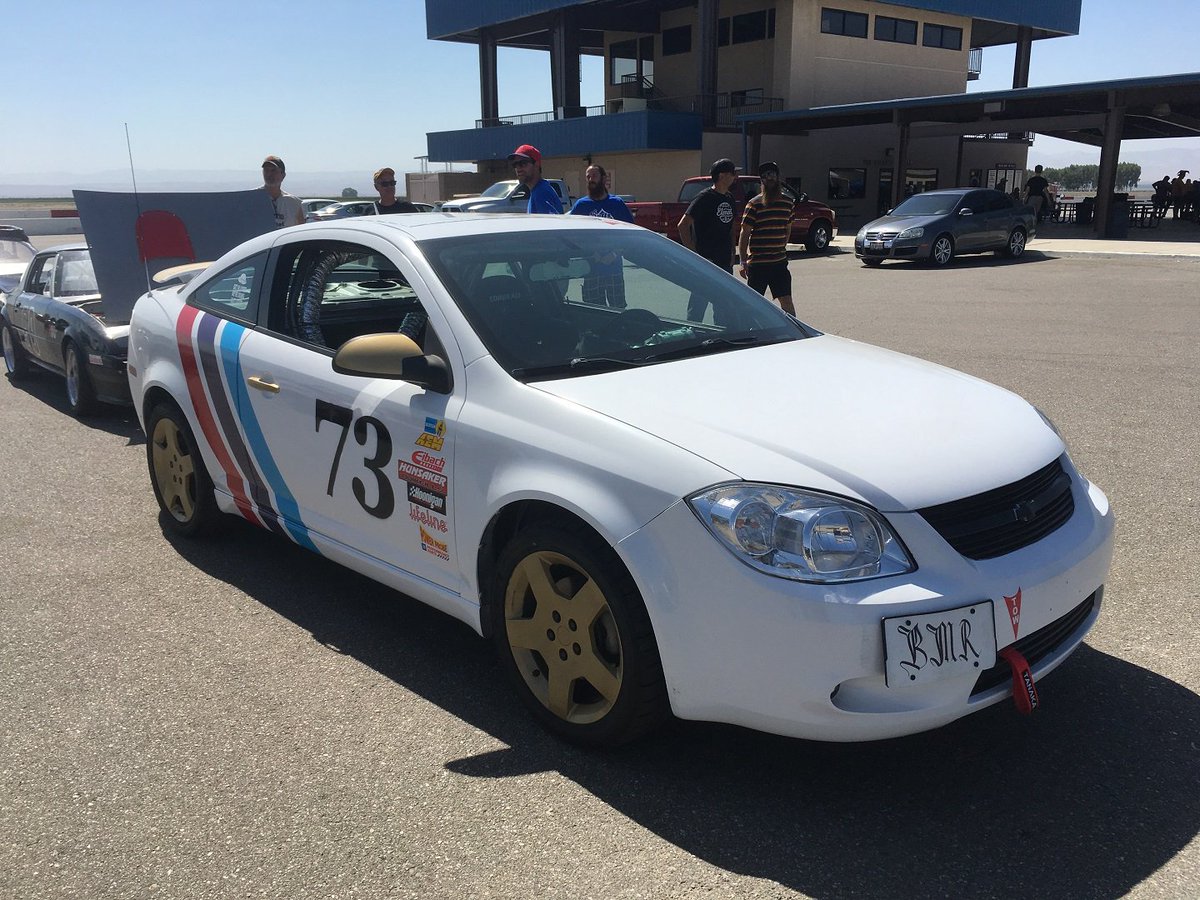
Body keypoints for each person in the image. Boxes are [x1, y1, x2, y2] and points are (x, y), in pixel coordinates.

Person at [678, 158, 738, 324]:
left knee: (724, 303)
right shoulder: (704, 198)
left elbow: (732, 227)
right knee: (699, 301)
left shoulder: (729, 198)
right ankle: (692, 332)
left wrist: (733, 252)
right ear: (722, 175)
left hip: (725, 261)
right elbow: (683, 225)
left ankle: (722, 334)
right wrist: (694, 254)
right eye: (733, 173)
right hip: (706, 260)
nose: (735, 177)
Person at [568, 164, 634, 307]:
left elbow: (629, 233)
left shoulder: (616, 204)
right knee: (594, 311)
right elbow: (572, 236)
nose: (591, 179)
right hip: (591, 269)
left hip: (613, 269)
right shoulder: (581, 206)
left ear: (604, 179)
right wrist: (591, 254)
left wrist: (615, 253)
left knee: (618, 308)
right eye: (588, 177)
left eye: (594, 176)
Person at [737, 161, 796, 315]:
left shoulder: (788, 203)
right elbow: (744, 233)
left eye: (771, 175)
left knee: (786, 301)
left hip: (779, 264)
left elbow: (787, 229)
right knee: (753, 304)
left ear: (778, 177)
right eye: (764, 176)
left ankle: (795, 333)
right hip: (758, 264)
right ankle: (752, 333)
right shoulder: (754, 204)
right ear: (761, 181)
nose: (768, 179)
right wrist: (743, 261)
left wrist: (781, 247)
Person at [507, 144, 563, 214]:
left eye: (523, 163)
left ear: (536, 164)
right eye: (515, 164)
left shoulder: (541, 193)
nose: (518, 169)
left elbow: (551, 223)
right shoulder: (538, 190)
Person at [259, 155, 304, 228]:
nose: (269, 174)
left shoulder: (295, 204)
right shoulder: (252, 199)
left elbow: (301, 231)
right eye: (266, 170)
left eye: (273, 170)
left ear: (283, 175)